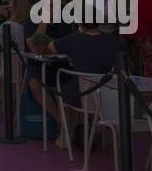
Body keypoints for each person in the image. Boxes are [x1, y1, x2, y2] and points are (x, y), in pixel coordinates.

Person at [28, 17, 119, 148]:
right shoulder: (112, 40)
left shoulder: (73, 39)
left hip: (82, 97)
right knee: (70, 86)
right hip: (109, 96)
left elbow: (47, 49)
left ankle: (65, 135)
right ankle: (93, 130)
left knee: (64, 91)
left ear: (79, 22)